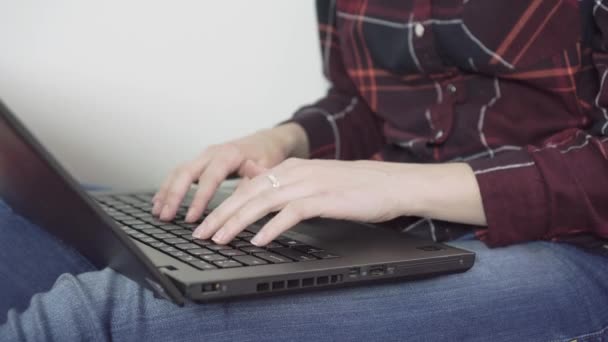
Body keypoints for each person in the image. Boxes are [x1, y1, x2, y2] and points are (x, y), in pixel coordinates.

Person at [2, 0, 608, 340]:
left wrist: (400, 184)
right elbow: (364, 102)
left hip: (569, 248)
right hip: (385, 227)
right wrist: (282, 140)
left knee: (99, 314)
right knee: (23, 219)